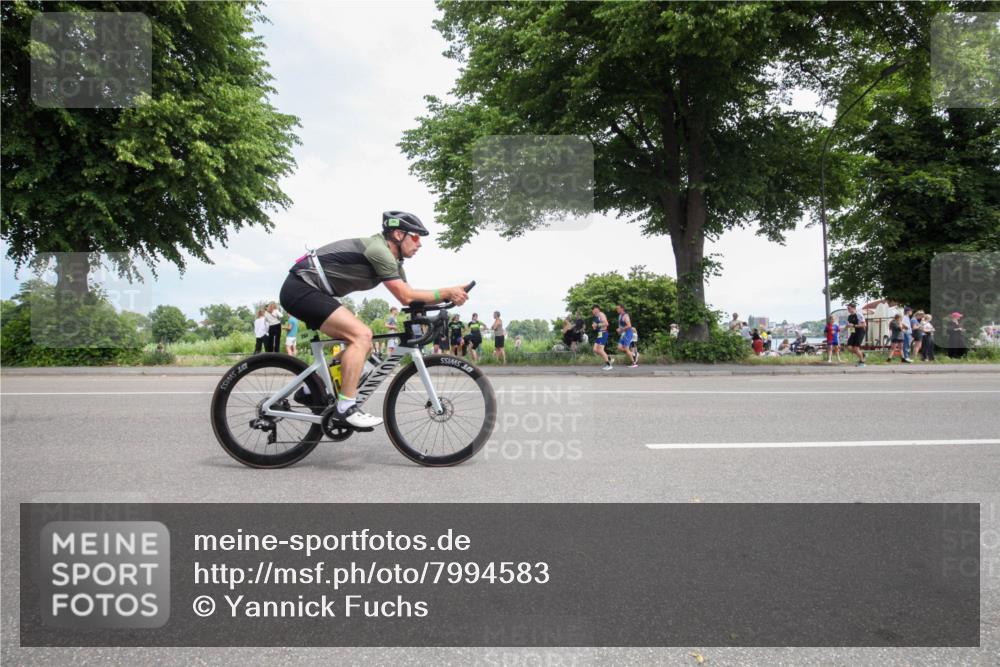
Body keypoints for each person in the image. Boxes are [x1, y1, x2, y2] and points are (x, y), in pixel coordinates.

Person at [278, 211, 469, 429]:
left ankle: (311, 389)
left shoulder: (394, 262)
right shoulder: (379, 251)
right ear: (398, 234)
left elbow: (412, 298)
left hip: (313, 290)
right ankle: (345, 409)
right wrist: (447, 291)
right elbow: (405, 296)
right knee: (361, 335)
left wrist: (443, 308)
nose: (420, 244)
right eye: (416, 237)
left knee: (364, 345)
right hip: (301, 287)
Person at [591, 304, 613, 370]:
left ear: (596, 309)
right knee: (595, 349)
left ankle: (608, 365)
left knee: (600, 350)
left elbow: (606, 324)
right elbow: (595, 327)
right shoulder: (596, 317)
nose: (592, 311)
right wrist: (594, 326)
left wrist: (597, 325)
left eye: (593, 309)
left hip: (603, 333)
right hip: (599, 334)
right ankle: (609, 358)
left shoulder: (601, 314)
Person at [845, 302, 867, 366]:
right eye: (847, 308)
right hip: (853, 332)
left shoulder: (859, 315)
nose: (848, 310)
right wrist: (844, 328)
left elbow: (864, 325)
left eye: (849, 308)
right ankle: (862, 355)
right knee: (849, 348)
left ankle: (862, 362)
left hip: (860, 332)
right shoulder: (849, 317)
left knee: (856, 348)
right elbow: (849, 326)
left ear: (853, 308)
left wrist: (854, 325)